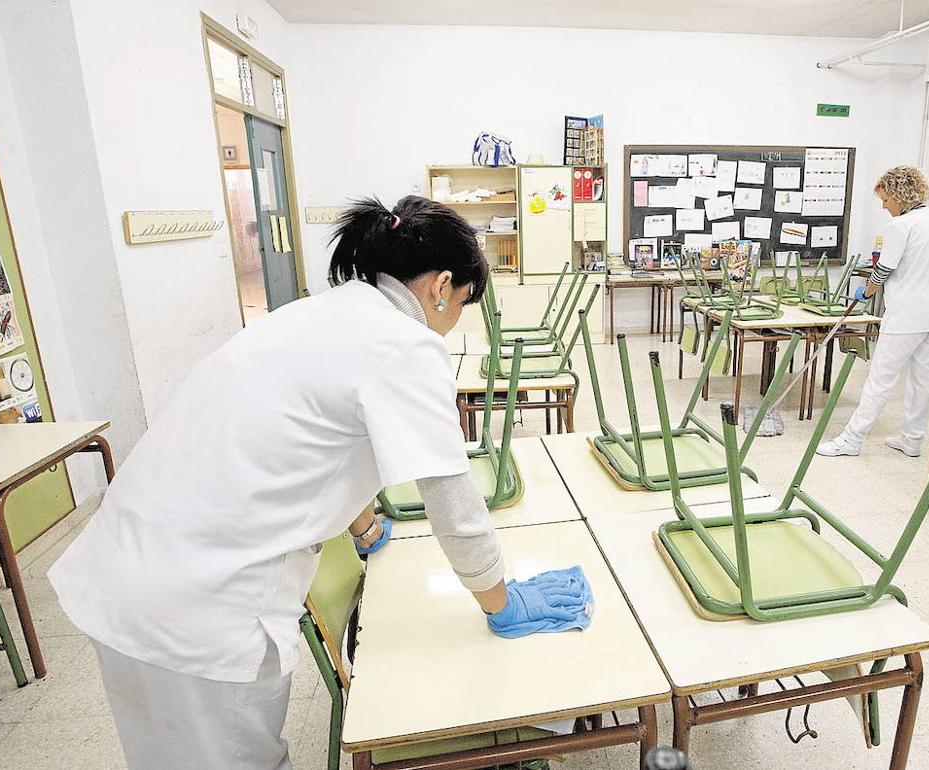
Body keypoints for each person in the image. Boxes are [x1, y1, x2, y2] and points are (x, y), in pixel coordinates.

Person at [47, 196, 586, 769]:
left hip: (130, 567)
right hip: (197, 605)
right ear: (441, 285)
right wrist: (500, 601)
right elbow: (452, 501)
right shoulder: (405, 345)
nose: (456, 320)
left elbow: (308, 435)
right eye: (463, 304)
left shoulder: (322, 312)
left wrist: (364, 523)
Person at [816, 166, 929, 458]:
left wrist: (864, 292)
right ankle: (912, 440)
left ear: (899, 195)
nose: (884, 206)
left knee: (879, 380)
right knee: (922, 378)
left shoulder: (901, 226)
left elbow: (883, 269)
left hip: (906, 317)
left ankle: (852, 439)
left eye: (885, 200)